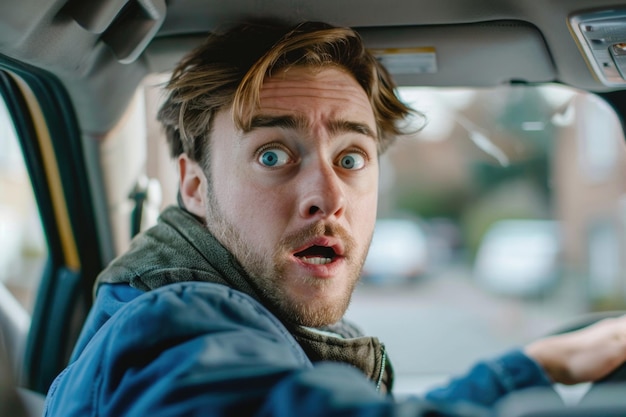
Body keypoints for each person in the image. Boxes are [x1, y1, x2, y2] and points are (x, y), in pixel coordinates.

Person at [44, 19, 626, 416]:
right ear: (195, 186)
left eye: (351, 158)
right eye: (272, 155)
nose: (327, 194)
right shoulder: (171, 328)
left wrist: (533, 364)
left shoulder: (246, 325)